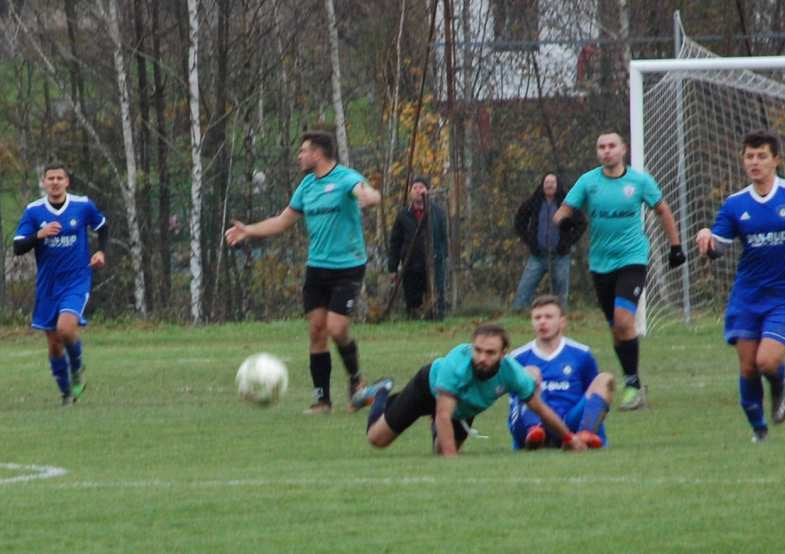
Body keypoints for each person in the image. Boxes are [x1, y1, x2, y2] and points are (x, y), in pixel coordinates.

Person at [695, 129, 785, 442]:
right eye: (749, 156)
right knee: (748, 367)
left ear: (776, 159)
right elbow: (719, 249)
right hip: (747, 297)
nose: (755, 162)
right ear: (743, 160)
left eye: (762, 156)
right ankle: (759, 431)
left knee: (766, 361)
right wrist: (707, 243)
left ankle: (779, 384)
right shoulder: (735, 204)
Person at [225, 131, 381, 414]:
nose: (299, 156)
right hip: (317, 268)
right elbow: (282, 221)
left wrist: (370, 196)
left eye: (303, 151)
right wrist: (249, 230)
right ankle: (322, 401)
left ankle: (357, 382)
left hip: (347, 266)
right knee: (317, 331)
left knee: (337, 328)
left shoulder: (346, 177)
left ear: (318, 154)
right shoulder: (307, 186)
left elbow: (366, 192)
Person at [553, 131, 686, 411]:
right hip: (600, 263)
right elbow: (563, 211)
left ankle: (633, 386)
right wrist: (564, 223)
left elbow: (662, 210)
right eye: (601, 147)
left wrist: (675, 246)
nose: (606, 151)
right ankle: (631, 380)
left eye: (611, 146)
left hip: (633, 258)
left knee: (625, 321)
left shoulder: (639, 181)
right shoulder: (589, 182)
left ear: (623, 149)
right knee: (616, 329)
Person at [350, 323, 594, 457]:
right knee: (377, 440)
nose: (482, 357)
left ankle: (432, 425)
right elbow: (444, 414)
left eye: (490, 353)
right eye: (478, 350)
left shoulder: (512, 372)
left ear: (504, 353)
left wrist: (569, 439)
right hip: (428, 389)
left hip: (462, 408)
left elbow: (541, 409)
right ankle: (381, 392)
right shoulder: (457, 365)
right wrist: (452, 465)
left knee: (440, 450)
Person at [12, 163, 108, 405]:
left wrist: (101, 252)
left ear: (67, 182)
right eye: (50, 178)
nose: (55, 182)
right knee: (54, 343)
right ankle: (66, 393)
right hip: (47, 285)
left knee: (66, 329)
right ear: (44, 183)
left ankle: (77, 368)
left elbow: (102, 226)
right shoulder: (34, 211)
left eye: (59, 178)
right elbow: (18, 246)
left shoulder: (82, 205)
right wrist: (39, 236)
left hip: (76, 280)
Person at [508, 295, 614, 449]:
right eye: (537, 318)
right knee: (531, 373)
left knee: (606, 379)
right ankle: (535, 433)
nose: (542, 321)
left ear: (562, 322)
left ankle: (585, 434)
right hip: (534, 422)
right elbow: (515, 403)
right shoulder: (518, 357)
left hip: (570, 422)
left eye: (548, 317)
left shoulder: (581, 354)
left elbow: (594, 395)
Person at [512, 172, 586, 311]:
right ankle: (518, 313)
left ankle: (560, 315)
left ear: (557, 185)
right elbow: (519, 221)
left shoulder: (567, 204)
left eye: (552, 182)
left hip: (560, 255)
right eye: (547, 182)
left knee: (561, 292)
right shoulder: (534, 202)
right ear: (542, 185)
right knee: (525, 288)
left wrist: (568, 242)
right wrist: (530, 241)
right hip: (538, 255)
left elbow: (581, 223)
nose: (549, 185)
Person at [387, 177, 448, 318]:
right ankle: (413, 321)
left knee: (435, 299)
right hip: (411, 265)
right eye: (415, 188)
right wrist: (392, 268)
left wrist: (442, 256)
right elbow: (395, 243)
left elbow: (444, 238)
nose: (418, 191)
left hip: (433, 263)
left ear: (427, 190)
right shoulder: (403, 215)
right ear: (410, 192)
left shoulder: (438, 212)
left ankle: (436, 320)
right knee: (413, 302)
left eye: (421, 187)